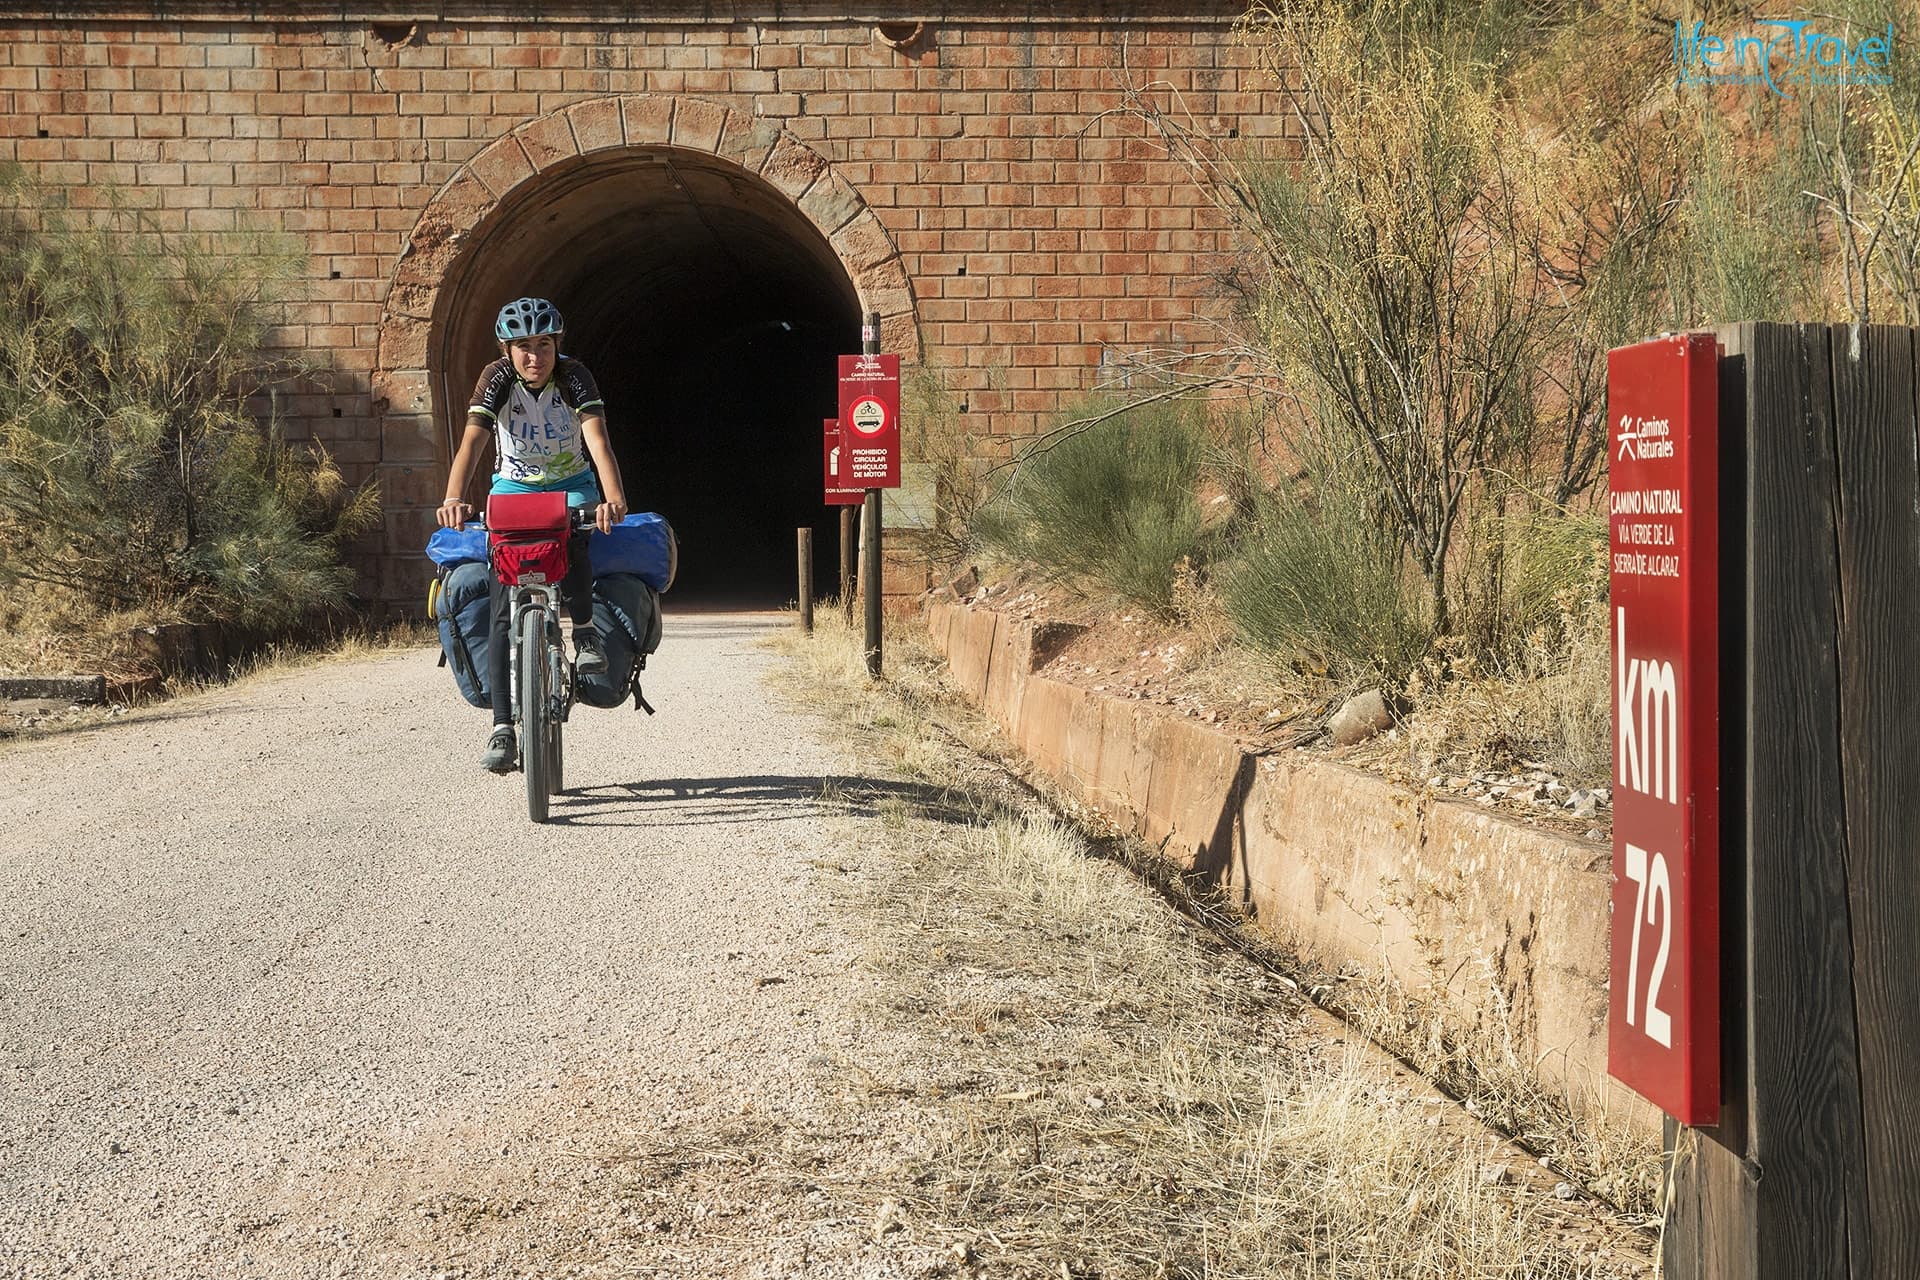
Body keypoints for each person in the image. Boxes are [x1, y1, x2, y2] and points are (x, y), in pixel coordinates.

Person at [436, 296, 629, 773]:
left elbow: (598, 441)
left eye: (543, 345)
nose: (534, 357)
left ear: (557, 346)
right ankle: (503, 726)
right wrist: (453, 497)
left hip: (572, 485)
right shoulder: (496, 380)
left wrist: (612, 497)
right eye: (522, 346)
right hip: (513, 486)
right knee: (503, 604)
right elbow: (472, 444)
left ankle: (583, 633)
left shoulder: (574, 376)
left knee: (576, 533)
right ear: (506, 349)